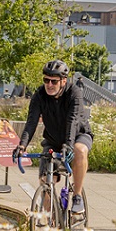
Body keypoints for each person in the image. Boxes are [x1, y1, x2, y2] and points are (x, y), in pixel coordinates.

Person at [12, 59, 92, 214]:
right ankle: (51, 221)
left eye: (53, 81)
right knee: (45, 182)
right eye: (46, 80)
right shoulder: (39, 95)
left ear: (63, 81)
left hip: (77, 136)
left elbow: (73, 121)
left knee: (79, 150)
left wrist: (68, 145)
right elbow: (31, 123)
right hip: (53, 140)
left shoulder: (74, 93)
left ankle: (77, 196)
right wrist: (22, 146)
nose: (49, 85)